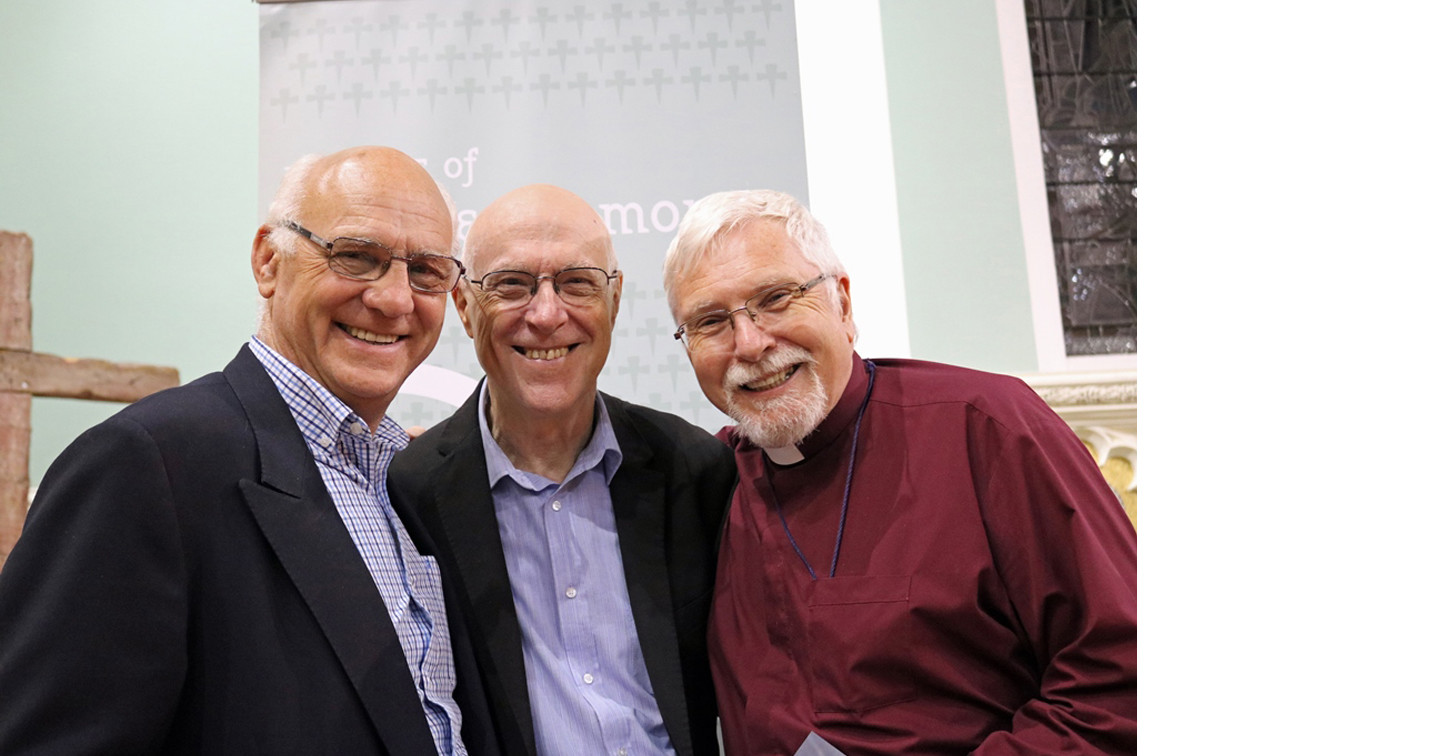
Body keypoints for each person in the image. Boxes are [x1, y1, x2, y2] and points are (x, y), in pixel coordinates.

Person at [0, 146, 499, 756]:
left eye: (426, 271)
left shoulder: (415, 482)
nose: (396, 299)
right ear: (268, 260)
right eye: (357, 257)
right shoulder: (145, 464)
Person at [663, 189, 1138, 755]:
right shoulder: (707, 485)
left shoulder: (985, 427)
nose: (750, 342)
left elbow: (1123, 678)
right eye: (711, 322)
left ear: (842, 303)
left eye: (776, 298)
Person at [389, 184, 735, 756]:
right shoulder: (410, 492)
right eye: (511, 285)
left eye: (577, 283)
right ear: (465, 308)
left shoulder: (694, 469)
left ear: (615, 301)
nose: (547, 314)